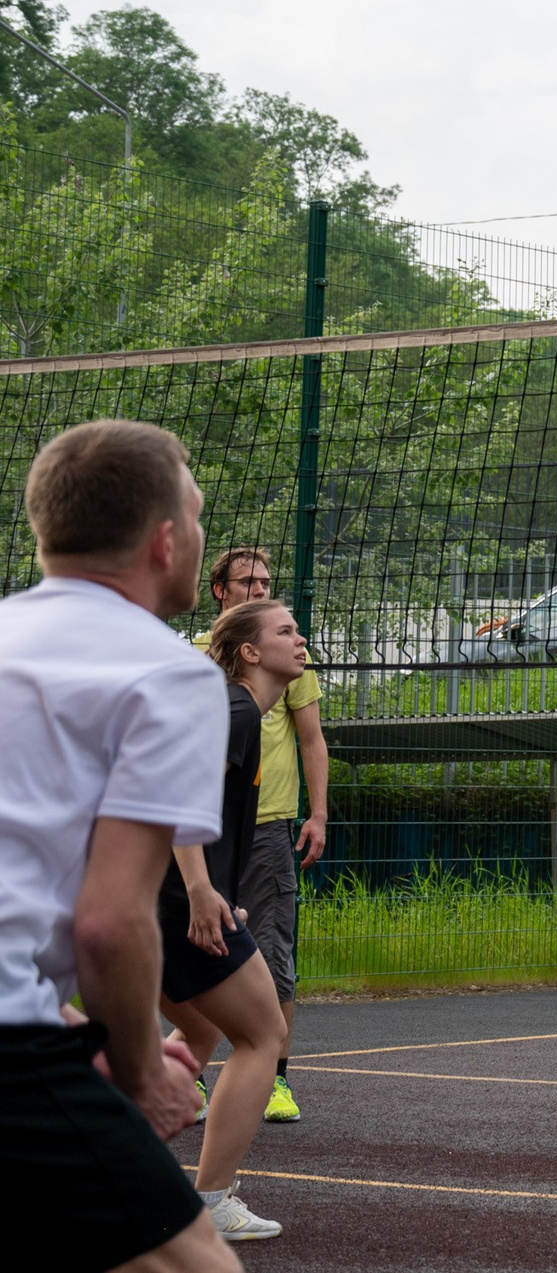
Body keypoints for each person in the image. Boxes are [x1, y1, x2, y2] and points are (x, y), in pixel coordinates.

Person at [0, 418, 244, 1272]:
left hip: (27, 1015)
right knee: (196, 1261)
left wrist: (85, 1033)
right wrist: (139, 1067)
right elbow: (109, 921)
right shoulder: (169, 672)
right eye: (201, 516)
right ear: (166, 539)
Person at [158, 601, 298, 1241]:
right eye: (286, 631)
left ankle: (104, 1160)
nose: (301, 642)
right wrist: (197, 889)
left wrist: (216, 889)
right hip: (171, 899)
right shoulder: (239, 709)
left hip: (161, 898)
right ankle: (211, 1202)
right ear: (249, 650)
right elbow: (180, 795)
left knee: (200, 1032)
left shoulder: (239, 711)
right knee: (263, 1036)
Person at [191, 546, 327, 1124]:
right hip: (198, 838)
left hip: (267, 826)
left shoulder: (280, 670)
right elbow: (185, 794)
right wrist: (195, 884)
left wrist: (317, 813)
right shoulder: (206, 672)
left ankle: (273, 1080)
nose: (259, 587)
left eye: (267, 581)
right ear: (220, 589)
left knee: (269, 960)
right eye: (248, 580)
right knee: (194, 960)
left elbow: (312, 740)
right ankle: (181, 1080)